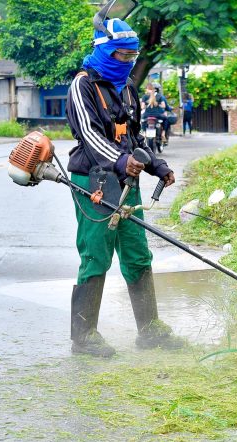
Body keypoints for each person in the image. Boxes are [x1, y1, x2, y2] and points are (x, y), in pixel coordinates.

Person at [65, 17, 185, 357]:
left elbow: (134, 136)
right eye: (122, 55)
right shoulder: (82, 86)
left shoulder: (128, 86)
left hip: (127, 182)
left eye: (133, 56)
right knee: (96, 254)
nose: (129, 61)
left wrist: (157, 165)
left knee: (137, 252)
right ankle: (84, 336)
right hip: (94, 181)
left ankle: (150, 329)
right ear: (105, 51)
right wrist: (121, 161)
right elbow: (89, 136)